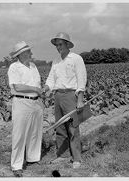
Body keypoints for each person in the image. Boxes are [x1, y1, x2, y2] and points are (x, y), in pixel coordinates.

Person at [42, 32, 87, 169]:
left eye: (60, 44)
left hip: (70, 95)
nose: (58, 47)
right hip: (58, 96)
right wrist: (45, 88)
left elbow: (81, 78)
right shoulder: (56, 61)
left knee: (72, 127)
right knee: (60, 127)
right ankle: (63, 155)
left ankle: (77, 158)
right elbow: (51, 78)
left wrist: (80, 99)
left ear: (68, 44)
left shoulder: (76, 58)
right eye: (56, 45)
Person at [7, 41, 43, 177]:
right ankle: (16, 165)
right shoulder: (14, 67)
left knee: (35, 132)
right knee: (19, 134)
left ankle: (32, 158)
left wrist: (39, 96)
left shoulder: (33, 66)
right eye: (28, 51)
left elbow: (37, 83)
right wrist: (35, 89)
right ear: (20, 54)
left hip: (36, 103)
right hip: (21, 102)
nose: (31, 53)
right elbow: (17, 87)